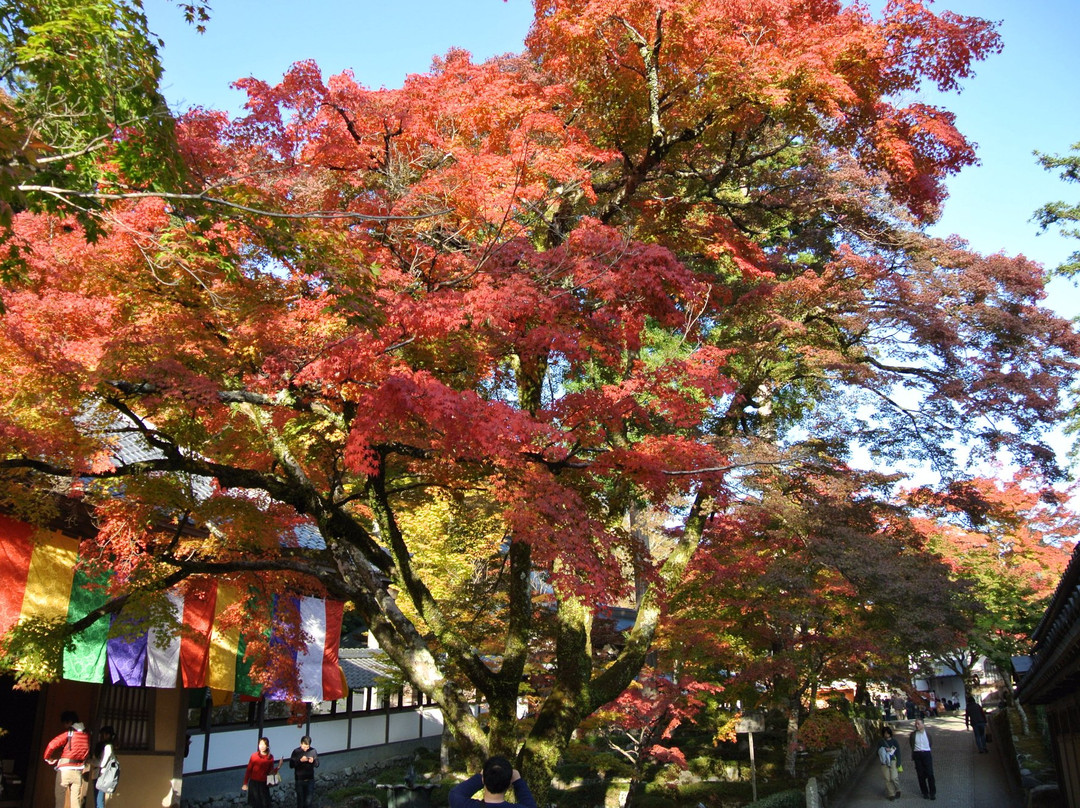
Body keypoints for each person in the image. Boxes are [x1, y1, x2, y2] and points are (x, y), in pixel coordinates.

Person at [42, 710, 90, 808]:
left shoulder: (69, 734)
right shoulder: (87, 734)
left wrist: (47, 758)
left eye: (65, 723)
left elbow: (51, 745)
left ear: (69, 722)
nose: (64, 726)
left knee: (60, 800)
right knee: (75, 802)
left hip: (65, 770)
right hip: (78, 771)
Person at [449, 755, 538, 808]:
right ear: (509, 784)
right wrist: (518, 781)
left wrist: (480, 777)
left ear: (483, 779)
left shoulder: (465, 805)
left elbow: (455, 794)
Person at [242, 737, 278, 808]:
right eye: (260, 744)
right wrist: (245, 783)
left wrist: (278, 767)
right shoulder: (254, 756)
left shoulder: (270, 757)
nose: (261, 746)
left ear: (267, 746)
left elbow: (271, 772)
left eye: (263, 744)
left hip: (263, 784)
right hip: (254, 783)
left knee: (265, 804)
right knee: (255, 804)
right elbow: (249, 770)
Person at [909, 718, 936, 800]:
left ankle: (932, 792)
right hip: (917, 754)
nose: (916, 725)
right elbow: (911, 744)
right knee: (920, 775)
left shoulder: (927, 734)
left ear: (923, 724)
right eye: (916, 724)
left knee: (930, 773)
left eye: (918, 724)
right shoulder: (913, 735)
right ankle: (924, 792)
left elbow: (930, 743)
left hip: (926, 753)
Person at [288, 735, 319, 808]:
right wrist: (300, 760)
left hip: (310, 779)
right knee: (300, 801)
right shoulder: (296, 751)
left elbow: (317, 764)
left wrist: (313, 761)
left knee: (308, 802)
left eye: (307, 747)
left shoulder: (313, 751)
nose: (306, 749)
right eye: (304, 747)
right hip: (299, 780)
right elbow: (291, 765)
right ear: (301, 744)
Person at [93, 726, 119, 807]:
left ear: (107, 735)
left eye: (103, 734)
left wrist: (90, 761)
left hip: (101, 775)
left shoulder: (107, 747)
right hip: (101, 775)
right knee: (98, 799)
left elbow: (102, 763)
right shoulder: (108, 746)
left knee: (98, 800)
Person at [877, 726, 902, 801]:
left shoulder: (894, 741)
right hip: (884, 762)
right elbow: (877, 752)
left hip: (892, 760)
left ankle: (898, 789)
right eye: (885, 733)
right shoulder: (881, 742)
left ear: (890, 733)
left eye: (888, 733)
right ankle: (891, 794)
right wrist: (883, 749)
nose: (886, 735)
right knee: (887, 779)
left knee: (894, 777)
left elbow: (898, 753)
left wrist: (899, 763)